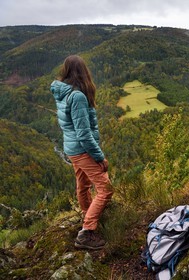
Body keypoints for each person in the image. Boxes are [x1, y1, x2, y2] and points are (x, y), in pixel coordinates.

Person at [51, 55, 113, 250]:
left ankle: (88, 217)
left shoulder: (63, 93)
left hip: (72, 149)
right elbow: (84, 134)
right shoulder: (77, 96)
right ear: (83, 71)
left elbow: (69, 126)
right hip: (82, 149)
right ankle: (86, 232)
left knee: (83, 185)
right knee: (105, 189)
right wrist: (99, 156)